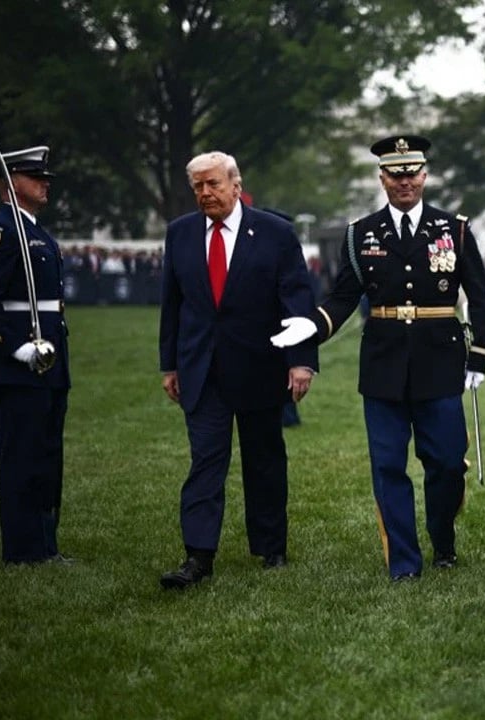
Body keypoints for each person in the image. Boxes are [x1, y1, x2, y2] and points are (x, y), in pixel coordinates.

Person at [272, 135, 485, 581]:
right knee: (389, 465)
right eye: (396, 174)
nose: (404, 182)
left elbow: (480, 298)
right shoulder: (361, 234)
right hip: (384, 365)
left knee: (447, 463)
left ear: (425, 176)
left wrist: (479, 359)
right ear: (382, 178)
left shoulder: (455, 230)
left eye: (412, 173)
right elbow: (342, 299)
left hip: (440, 361)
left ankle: (442, 538)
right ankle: (404, 563)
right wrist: (313, 325)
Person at [157, 151, 319, 589]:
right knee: (206, 461)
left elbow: (297, 300)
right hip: (201, 369)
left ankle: (272, 548)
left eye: (213, 184)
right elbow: (173, 304)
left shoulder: (275, 233)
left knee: (264, 459)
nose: (206, 194)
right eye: (198, 187)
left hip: (259, 365)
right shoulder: (181, 233)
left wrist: (301, 360)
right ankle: (198, 556)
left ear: (235, 183)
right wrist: (169, 364)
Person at [0, 145, 72, 565]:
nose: (45, 183)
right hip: (20, 367)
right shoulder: (2, 232)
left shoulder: (35, 231)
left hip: (50, 361)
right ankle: (24, 550)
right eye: (35, 176)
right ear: (8, 182)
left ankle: (45, 545)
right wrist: (17, 347)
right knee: (22, 458)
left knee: (46, 456)